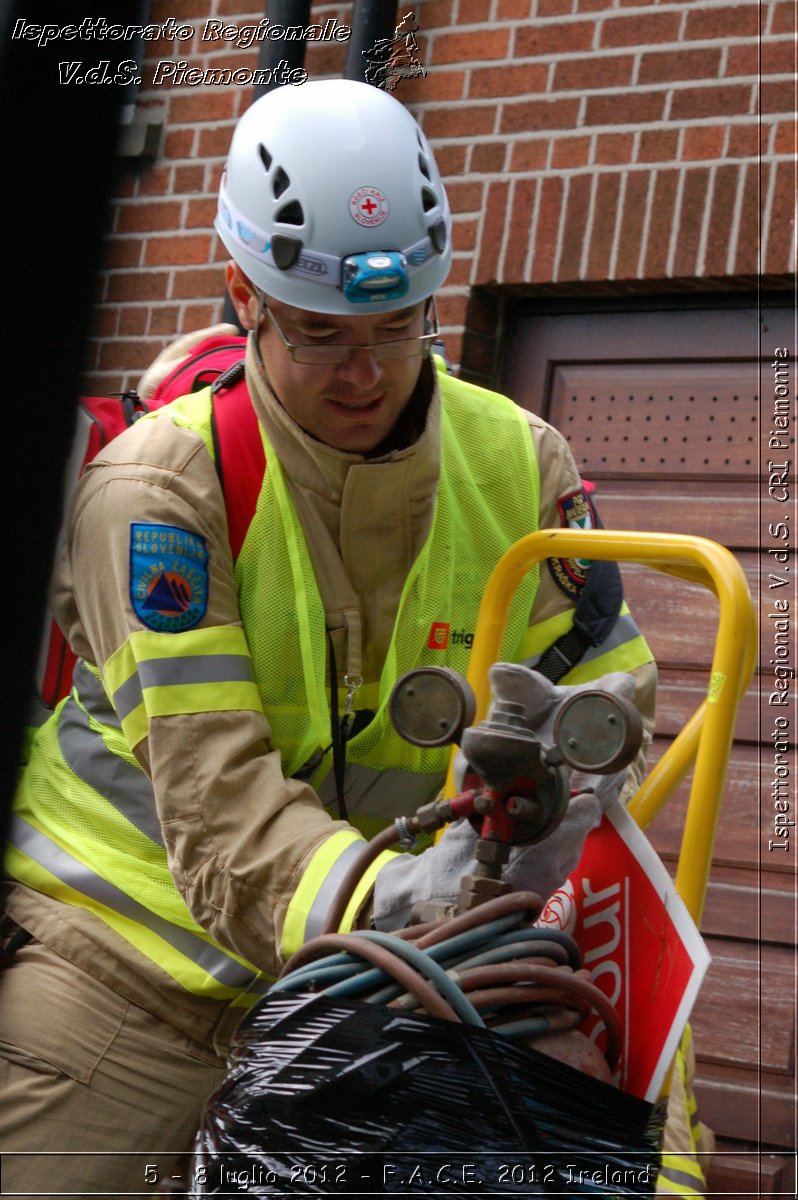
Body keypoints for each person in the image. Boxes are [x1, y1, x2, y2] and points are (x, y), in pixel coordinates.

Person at [0, 78, 656, 1195]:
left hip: (375, 996)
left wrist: (555, 789)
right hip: (126, 980)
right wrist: (402, 917)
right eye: (321, 333)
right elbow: (216, 799)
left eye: (400, 326)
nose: (368, 372)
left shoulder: (520, 462)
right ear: (244, 299)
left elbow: (610, 693)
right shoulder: (162, 493)